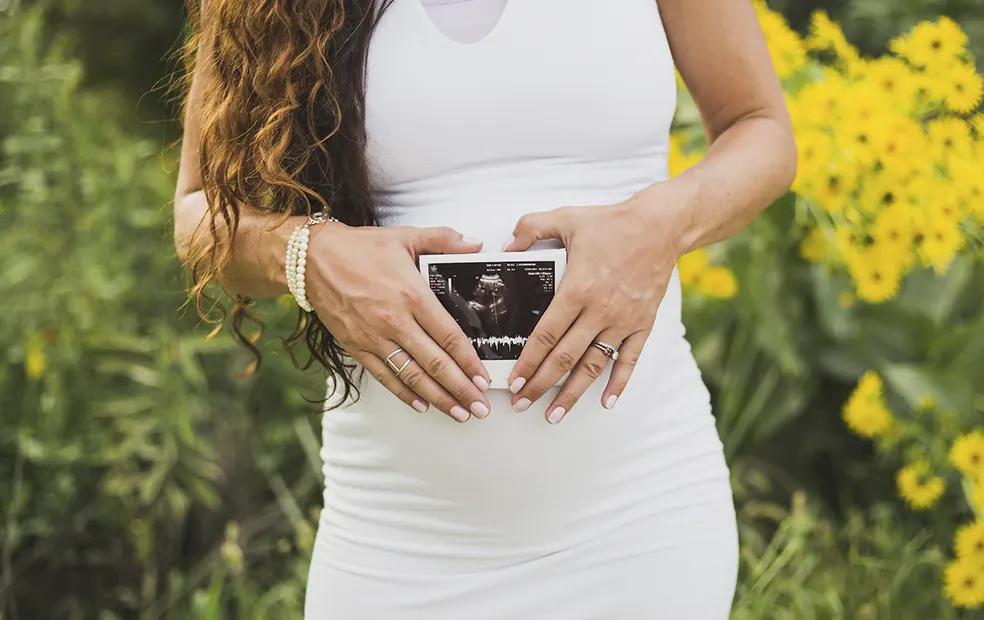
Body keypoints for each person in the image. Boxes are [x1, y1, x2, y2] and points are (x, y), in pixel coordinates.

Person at [173, 0, 796, 617]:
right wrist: (310, 254)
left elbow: (761, 130)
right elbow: (199, 214)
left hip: (639, 521)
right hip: (396, 538)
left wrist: (658, 226)